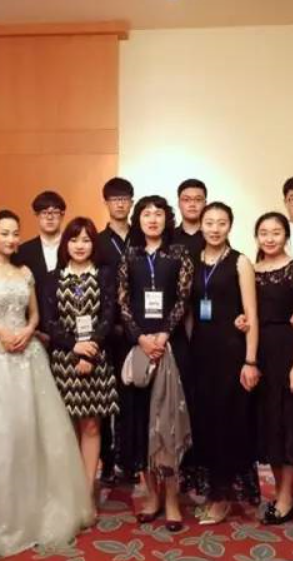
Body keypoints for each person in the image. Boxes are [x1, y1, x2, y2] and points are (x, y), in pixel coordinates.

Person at [0, 210, 93, 556]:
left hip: (27, 357)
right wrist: (1, 332)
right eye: (4, 233)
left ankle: (34, 513)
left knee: (30, 433)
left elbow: (34, 314)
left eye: (15, 233)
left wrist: (27, 330)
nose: (11, 239)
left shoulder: (26, 273)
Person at [117, 195, 194, 533]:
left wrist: (163, 335)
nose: (152, 219)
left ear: (167, 219)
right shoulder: (130, 255)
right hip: (138, 347)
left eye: (158, 214)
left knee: (168, 422)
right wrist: (140, 338)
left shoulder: (178, 254)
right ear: (138, 219)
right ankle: (152, 497)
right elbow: (122, 302)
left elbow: (183, 298)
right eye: (146, 214)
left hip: (170, 346)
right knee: (140, 423)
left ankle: (173, 500)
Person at [183, 202, 260, 525]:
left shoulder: (239, 262)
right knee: (204, 423)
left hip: (231, 353)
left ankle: (223, 496)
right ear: (200, 225)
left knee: (227, 424)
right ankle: (214, 491)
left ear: (230, 226)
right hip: (200, 353)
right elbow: (188, 311)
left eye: (221, 223)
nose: (215, 229)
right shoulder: (192, 261)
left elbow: (251, 314)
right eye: (209, 223)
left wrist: (250, 360)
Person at [43, 217, 120, 508]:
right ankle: (70, 490)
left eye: (86, 240)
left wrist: (89, 352)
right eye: (74, 240)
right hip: (63, 360)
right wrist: (74, 347)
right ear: (66, 244)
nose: (79, 246)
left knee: (91, 427)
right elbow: (49, 322)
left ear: (93, 245)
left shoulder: (104, 275)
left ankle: (87, 491)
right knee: (68, 428)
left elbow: (108, 317)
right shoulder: (53, 277)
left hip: (97, 358)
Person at [253, 212, 293, 525]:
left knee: (288, 421)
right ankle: (280, 492)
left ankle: (287, 496)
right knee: (269, 424)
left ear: (286, 236)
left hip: (287, 352)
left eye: (276, 232)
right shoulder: (251, 269)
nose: (270, 238)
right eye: (264, 232)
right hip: (259, 353)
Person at [96, 176, 135, 484]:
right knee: (104, 397)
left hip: (138, 330)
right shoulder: (96, 241)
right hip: (106, 331)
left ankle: (130, 460)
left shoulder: (143, 237)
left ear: (131, 202)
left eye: (125, 199)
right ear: (106, 203)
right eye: (115, 199)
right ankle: (107, 462)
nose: (120, 204)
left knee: (131, 396)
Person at [15, 190, 66, 337]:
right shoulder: (23, 251)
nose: (49, 217)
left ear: (62, 215)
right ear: (36, 215)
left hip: (68, 326)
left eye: (55, 212)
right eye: (44, 212)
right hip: (35, 329)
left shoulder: (74, 248)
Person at [172, 179, 207, 260]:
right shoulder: (169, 237)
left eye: (198, 200)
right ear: (178, 203)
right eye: (186, 200)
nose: (192, 204)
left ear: (205, 204)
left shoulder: (214, 236)